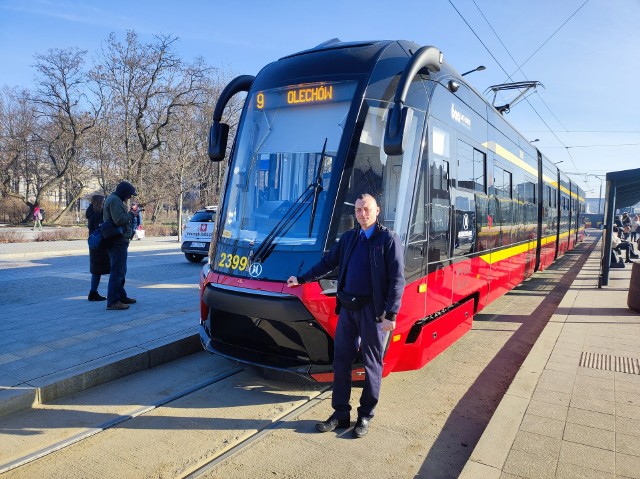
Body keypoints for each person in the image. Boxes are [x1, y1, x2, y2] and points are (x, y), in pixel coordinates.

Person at [287, 193, 405, 438]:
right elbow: (327, 263)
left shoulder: (388, 240)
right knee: (341, 361)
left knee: (372, 364)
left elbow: (397, 280)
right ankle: (340, 414)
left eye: (367, 209)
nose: (363, 213)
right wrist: (301, 279)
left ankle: (365, 416)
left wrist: (390, 314)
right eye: (359, 209)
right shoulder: (349, 238)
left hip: (373, 313)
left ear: (377, 211)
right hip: (349, 310)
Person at [103, 181, 138, 310]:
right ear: (124, 192)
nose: (130, 197)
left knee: (120, 271)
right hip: (117, 241)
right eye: (129, 194)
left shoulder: (115, 199)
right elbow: (118, 220)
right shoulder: (115, 200)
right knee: (117, 272)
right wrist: (130, 214)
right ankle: (113, 301)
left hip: (119, 241)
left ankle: (121, 296)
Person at [86, 195, 110, 301]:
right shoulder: (98, 214)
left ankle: (93, 292)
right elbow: (101, 229)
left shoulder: (91, 212)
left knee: (96, 270)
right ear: (99, 202)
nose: (104, 203)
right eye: (103, 201)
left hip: (94, 244)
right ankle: (94, 293)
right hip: (101, 245)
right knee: (110, 269)